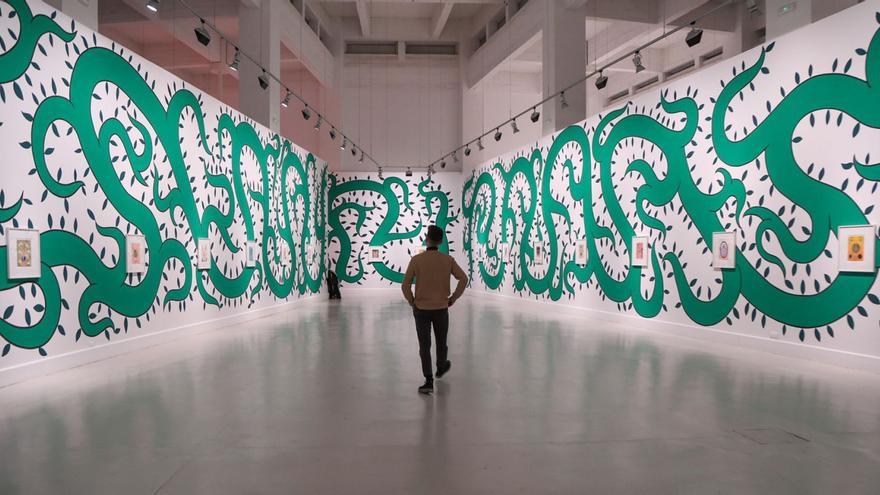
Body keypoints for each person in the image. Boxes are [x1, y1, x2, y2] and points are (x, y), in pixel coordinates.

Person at [402, 225, 468, 395]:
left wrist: (412, 301)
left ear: (427, 238)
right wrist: (453, 298)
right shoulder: (448, 260)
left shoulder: (416, 260)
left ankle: (429, 381)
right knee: (441, 341)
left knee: (424, 346)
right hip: (441, 308)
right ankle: (441, 366)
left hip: (421, 309)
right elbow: (463, 279)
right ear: (441, 241)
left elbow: (405, 285)